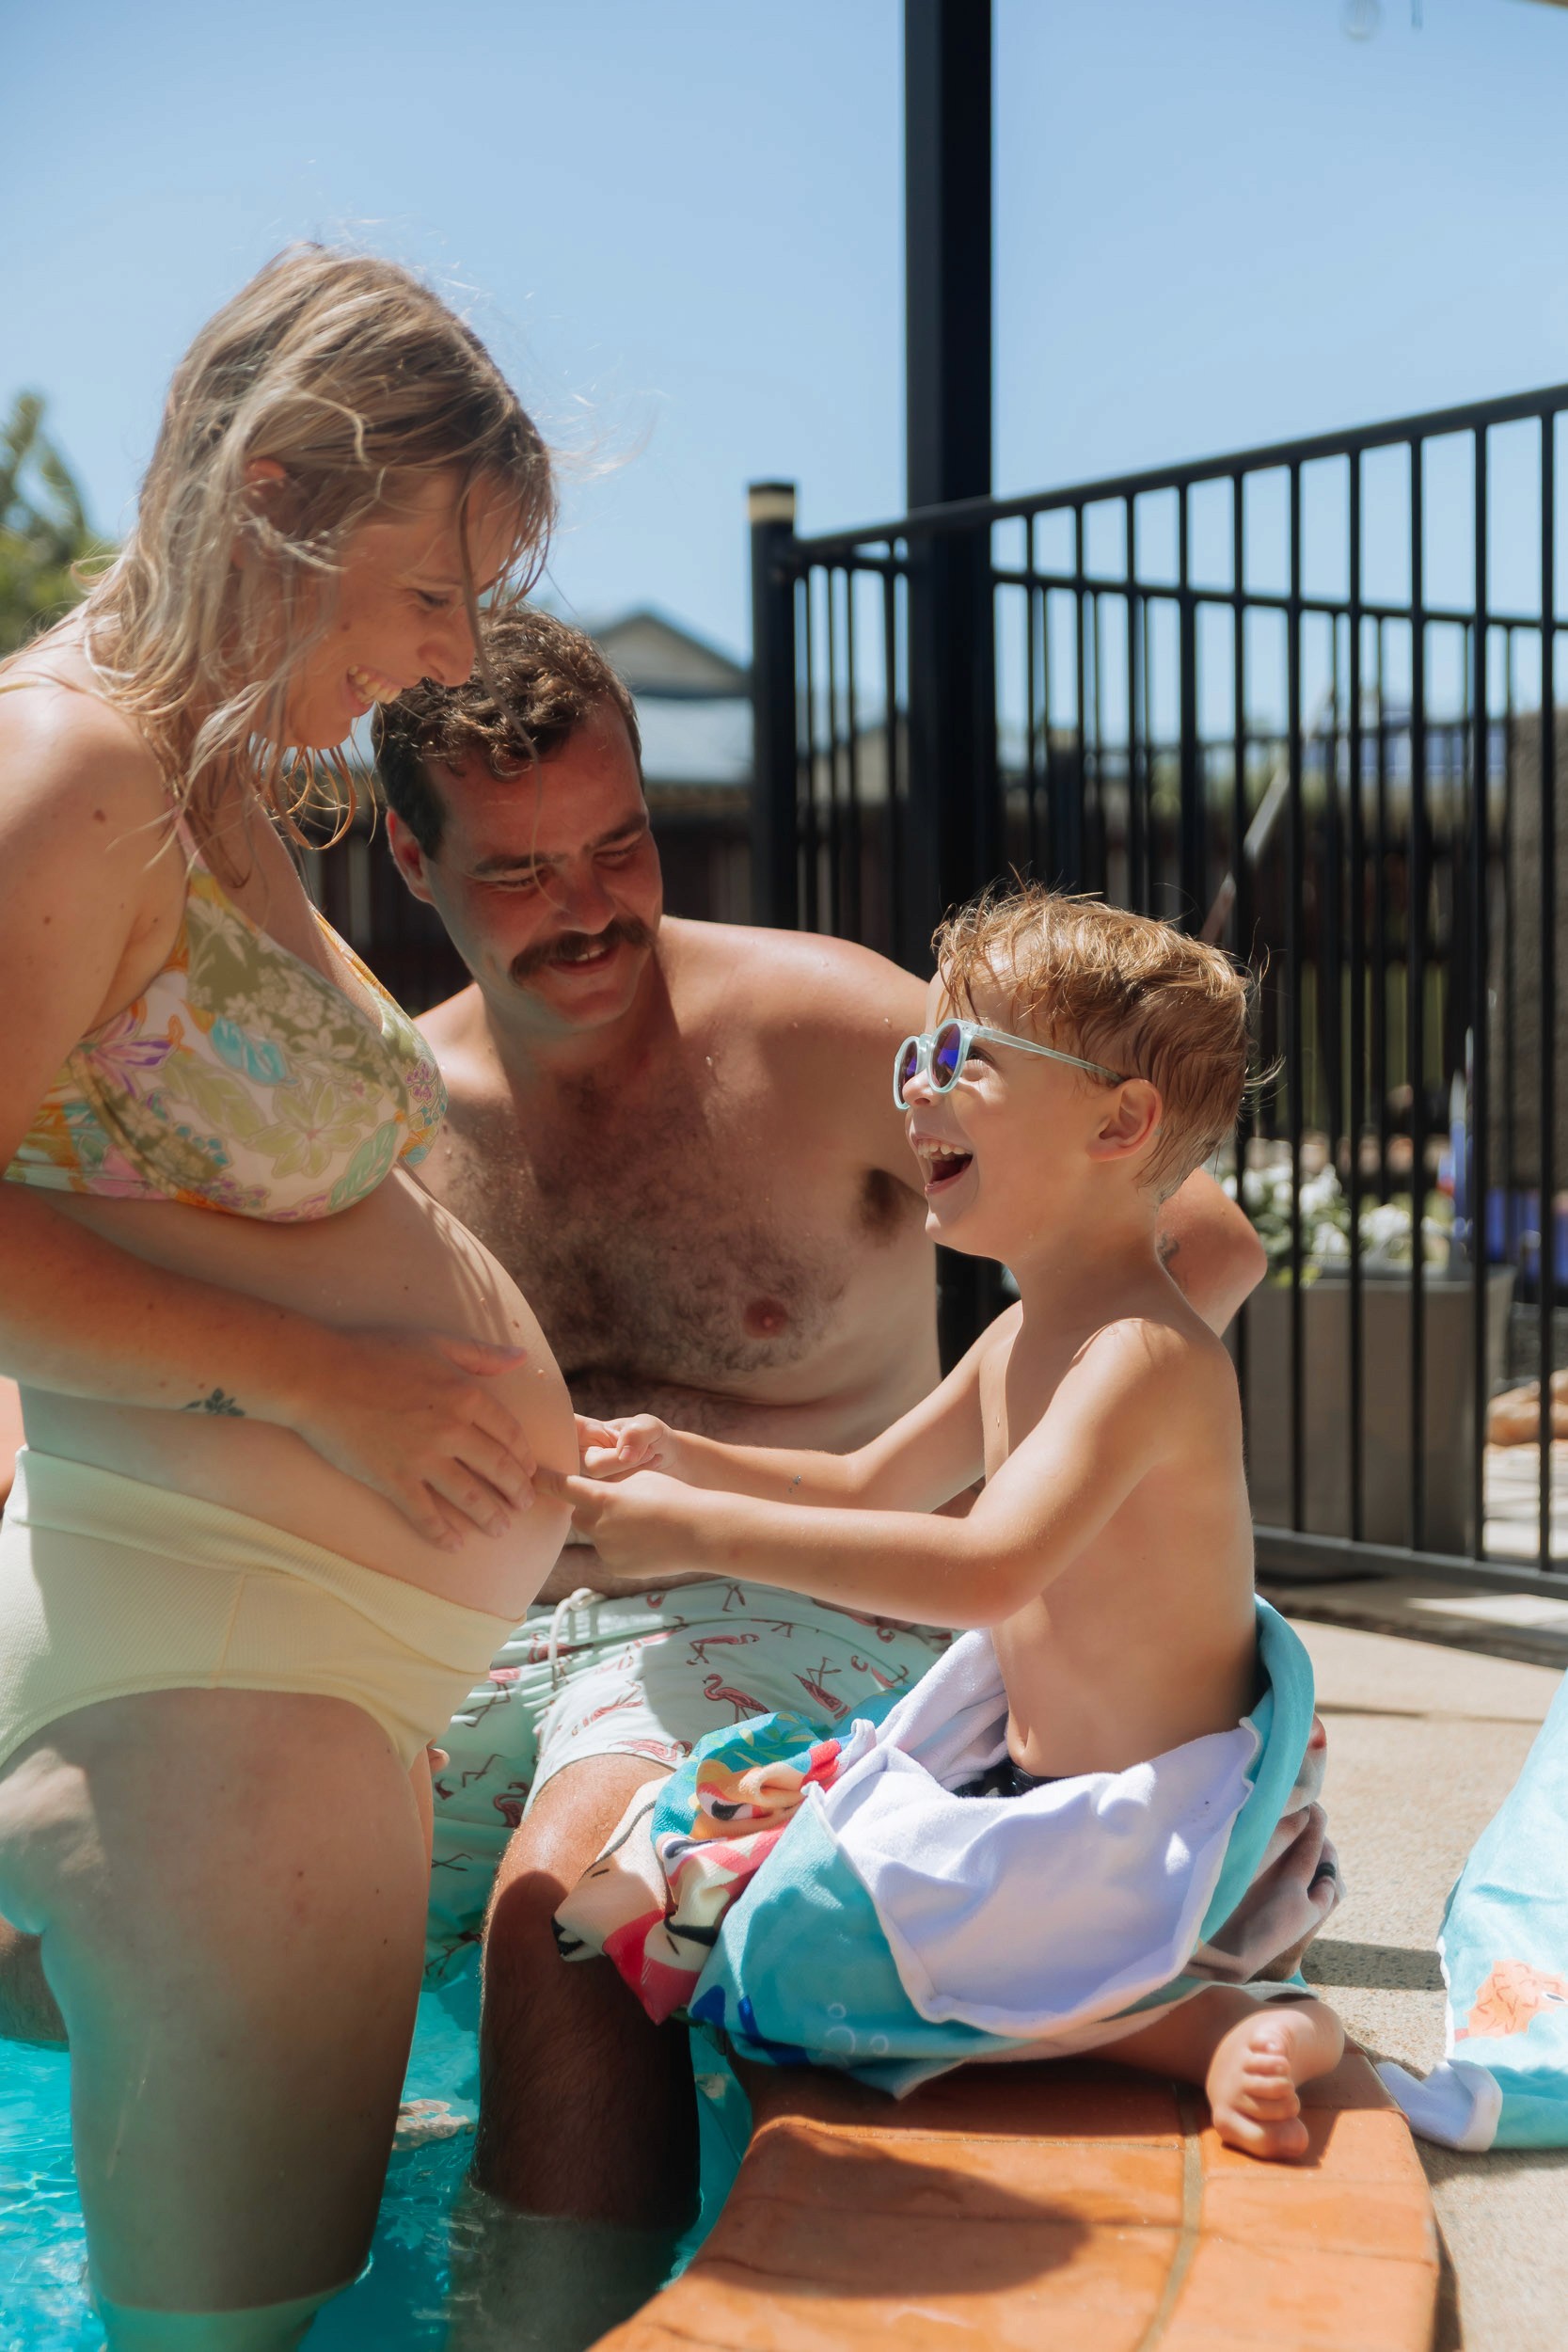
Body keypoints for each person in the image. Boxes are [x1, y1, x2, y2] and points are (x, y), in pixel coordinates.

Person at [372, 619, 1270, 2268]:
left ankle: (545, 2318)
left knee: (567, 1913)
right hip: (501, 1618)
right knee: (219, 1906)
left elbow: (1194, 1235)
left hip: (802, 1608)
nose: (590, 905)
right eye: (520, 871)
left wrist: (1077, 1484)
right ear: (409, 856)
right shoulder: (391, 1108)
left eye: (620, 842)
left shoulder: (822, 1023)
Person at [0, 246, 577, 2347]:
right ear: (279, 495)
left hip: (280, 1688)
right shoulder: (72, 771)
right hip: (208, 1699)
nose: (450, 660)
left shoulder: (209, 781)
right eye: (433, 594)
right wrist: (330, 1381)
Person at [556, 885, 1345, 2160]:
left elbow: (984, 1569)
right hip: (1037, 1799)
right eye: (914, 1057)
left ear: (1121, 1121)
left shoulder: (1145, 1357)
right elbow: (868, 1484)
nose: (912, 1091)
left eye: (960, 1061)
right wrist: (680, 1455)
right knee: (702, 1864)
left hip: (1153, 1841)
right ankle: (1173, 2014)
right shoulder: (1023, 1333)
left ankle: (1241, 2023)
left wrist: (699, 1532)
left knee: (813, 1961)